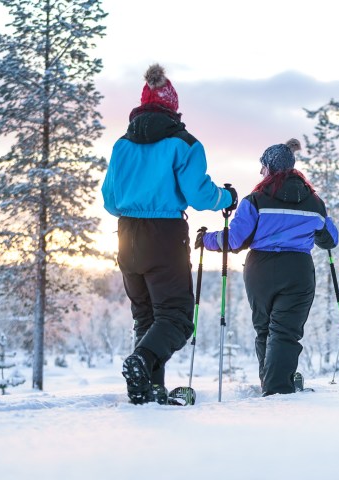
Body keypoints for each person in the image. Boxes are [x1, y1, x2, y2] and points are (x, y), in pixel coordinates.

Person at [101, 64, 237, 404]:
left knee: (145, 316)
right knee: (176, 317)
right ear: (172, 107)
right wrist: (227, 196)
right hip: (164, 234)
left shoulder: (122, 144)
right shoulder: (184, 143)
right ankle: (143, 362)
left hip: (127, 235)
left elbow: (109, 200)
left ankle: (148, 389)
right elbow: (199, 195)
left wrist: (135, 206)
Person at [197, 139, 338, 396]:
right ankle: (277, 386)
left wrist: (206, 239)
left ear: (270, 167)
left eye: (262, 167)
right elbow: (330, 239)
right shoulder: (314, 202)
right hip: (297, 269)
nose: (260, 172)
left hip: (260, 270)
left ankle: (273, 385)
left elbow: (235, 240)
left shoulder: (256, 200)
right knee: (285, 331)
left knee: (265, 328)